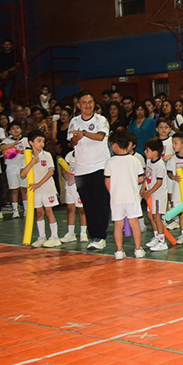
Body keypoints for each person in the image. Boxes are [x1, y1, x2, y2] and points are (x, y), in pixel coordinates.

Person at [68, 91, 111, 251]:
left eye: (90, 102)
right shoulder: (74, 121)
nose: (88, 105)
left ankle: (100, 236)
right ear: (78, 105)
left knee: (101, 202)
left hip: (100, 166)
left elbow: (101, 137)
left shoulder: (101, 120)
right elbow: (71, 143)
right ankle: (94, 235)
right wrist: (75, 139)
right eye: (84, 102)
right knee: (88, 204)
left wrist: (84, 133)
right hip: (81, 169)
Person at [104, 130, 146, 260]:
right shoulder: (134, 160)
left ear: (115, 145)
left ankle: (119, 251)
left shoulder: (110, 162)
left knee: (118, 224)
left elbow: (107, 181)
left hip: (117, 198)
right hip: (132, 197)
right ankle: (138, 249)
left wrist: (114, 193)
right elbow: (141, 178)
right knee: (134, 223)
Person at [21, 129, 62, 248]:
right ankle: (41, 236)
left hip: (47, 188)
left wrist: (38, 184)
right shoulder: (27, 157)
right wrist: (32, 162)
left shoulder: (47, 155)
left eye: (43, 141)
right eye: (38, 141)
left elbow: (51, 171)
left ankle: (55, 237)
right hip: (34, 191)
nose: (41, 144)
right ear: (31, 143)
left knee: (49, 211)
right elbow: (22, 174)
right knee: (39, 213)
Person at [142, 138, 169, 252]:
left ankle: (162, 242)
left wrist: (149, 193)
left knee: (157, 217)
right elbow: (147, 175)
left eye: (147, 150)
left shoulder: (160, 165)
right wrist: (144, 187)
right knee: (150, 215)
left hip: (158, 194)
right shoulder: (149, 161)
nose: (145, 152)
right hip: (151, 193)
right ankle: (157, 236)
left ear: (155, 152)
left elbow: (159, 182)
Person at [1, 121, 29, 219]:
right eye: (13, 128)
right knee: (14, 189)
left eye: (17, 128)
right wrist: (14, 144)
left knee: (24, 189)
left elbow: (31, 150)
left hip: (23, 167)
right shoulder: (7, 141)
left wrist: (23, 152)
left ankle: (26, 210)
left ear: (21, 130)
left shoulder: (25, 140)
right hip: (11, 168)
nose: (16, 130)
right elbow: (2, 147)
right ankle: (15, 210)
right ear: (9, 131)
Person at [59, 149, 88, 244]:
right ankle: (71, 233)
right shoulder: (69, 154)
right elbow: (64, 167)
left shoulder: (85, 154)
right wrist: (68, 178)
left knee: (82, 209)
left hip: (79, 185)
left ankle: (83, 232)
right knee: (70, 208)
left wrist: (76, 179)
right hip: (69, 185)